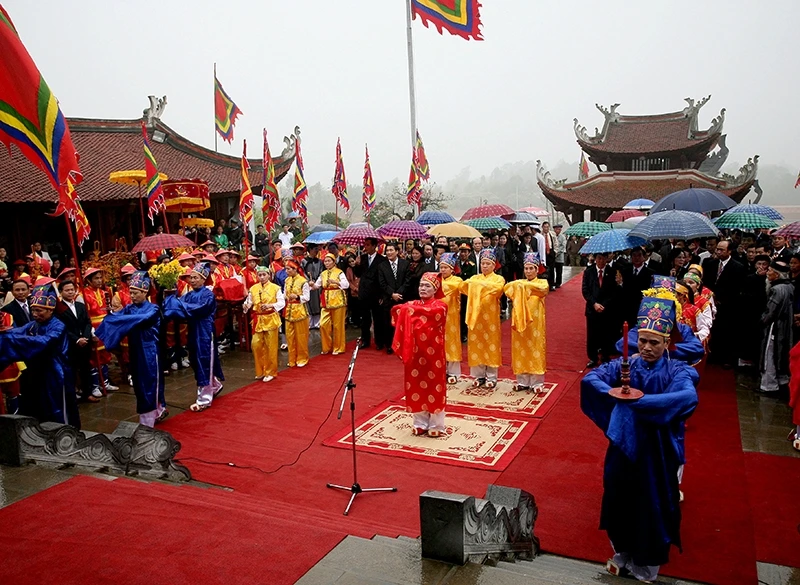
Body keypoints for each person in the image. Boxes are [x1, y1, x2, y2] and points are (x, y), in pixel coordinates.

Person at [581, 295, 699, 583]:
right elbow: (590, 379)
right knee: (618, 496)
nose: (646, 348)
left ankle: (646, 564)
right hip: (623, 445)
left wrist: (639, 402)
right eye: (642, 341)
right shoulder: (626, 365)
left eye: (654, 343)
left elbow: (687, 397)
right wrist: (614, 394)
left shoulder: (677, 369)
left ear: (666, 343)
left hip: (655, 451)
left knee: (652, 504)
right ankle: (622, 551)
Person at [0, 283, 80, 428]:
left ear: (50, 310)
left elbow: (44, 342)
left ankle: (64, 433)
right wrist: (4, 333)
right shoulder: (33, 325)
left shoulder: (58, 326)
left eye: (39, 310)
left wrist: (13, 339)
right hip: (40, 372)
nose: (35, 314)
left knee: (58, 406)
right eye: (33, 310)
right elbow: (16, 332)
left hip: (56, 373)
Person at [96, 272, 167, 426]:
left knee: (149, 382)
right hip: (135, 351)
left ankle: (147, 419)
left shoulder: (153, 309)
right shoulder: (129, 308)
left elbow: (138, 320)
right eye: (131, 293)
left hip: (149, 351)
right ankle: (157, 410)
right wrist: (109, 319)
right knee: (139, 383)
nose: (132, 296)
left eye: (135, 293)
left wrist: (117, 318)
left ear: (145, 292)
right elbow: (116, 318)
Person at [391, 272, 448, 437]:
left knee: (434, 386)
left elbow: (425, 314)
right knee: (415, 384)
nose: (423, 288)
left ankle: (437, 424)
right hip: (415, 352)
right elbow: (396, 311)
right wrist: (406, 310)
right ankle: (420, 422)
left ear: (435, 288)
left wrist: (407, 310)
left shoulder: (440, 306)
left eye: (427, 286)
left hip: (433, 354)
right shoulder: (413, 305)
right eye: (421, 285)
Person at [163, 263, 224, 410]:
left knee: (204, 360)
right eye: (191, 277)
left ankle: (204, 399)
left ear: (204, 279)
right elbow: (179, 306)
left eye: (196, 277)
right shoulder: (189, 295)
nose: (193, 280)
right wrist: (170, 298)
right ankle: (214, 385)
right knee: (195, 360)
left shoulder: (208, 295)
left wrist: (178, 305)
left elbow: (197, 310)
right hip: (193, 331)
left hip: (204, 331)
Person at [459, 249, 505, 388]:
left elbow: (497, 289)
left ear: (493, 265)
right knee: (476, 345)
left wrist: (478, 287)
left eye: (487, 264)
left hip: (490, 319)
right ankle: (478, 376)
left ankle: (491, 376)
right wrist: (480, 286)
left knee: (490, 344)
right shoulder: (475, 278)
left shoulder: (498, 279)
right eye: (483, 263)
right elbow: (463, 286)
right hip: (476, 318)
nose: (484, 266)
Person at [504, 252, 549, 391]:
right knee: (520, 349)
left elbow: (542, 290)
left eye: (531, 268)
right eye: (526, 268)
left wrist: (524, 287)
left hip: (535, 324)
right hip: (520, 321)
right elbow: (507, 289)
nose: (528, 271)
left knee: (535, 349)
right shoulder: (519, 283)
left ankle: (537, 382)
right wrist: (522, 286)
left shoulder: (542, 283)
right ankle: (523, 381)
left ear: (537, 269)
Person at [702, 240, 746, 367]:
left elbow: (737, 288)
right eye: (718, 249)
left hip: (728, 305)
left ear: (729, 251)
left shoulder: (738, 267)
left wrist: (721, 298)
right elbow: (705, 283)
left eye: (722, 250)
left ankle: (726, 358)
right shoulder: (710, 263)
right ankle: (712, 355)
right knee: (712, 330)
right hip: (710, 304)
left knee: (727, 332)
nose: (718, 252)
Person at [55, 281, 95, 403]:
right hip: (70, 344)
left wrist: (86, 337)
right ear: (61, 292)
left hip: (85, 342)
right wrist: (77, 339)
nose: (70, 292)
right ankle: (72, 395)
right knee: (71, 370)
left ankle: (87, 393)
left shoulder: (80, 306)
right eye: (67, 290)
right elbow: (62, 328)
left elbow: (88, 322)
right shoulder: (59, 309)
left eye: (72, 289)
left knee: (86, 368)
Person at [759, 259, 794, 395]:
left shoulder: (776, 290)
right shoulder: (790, 286)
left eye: (770, 271)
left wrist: (762, 321)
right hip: (786, 326)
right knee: (781, 354)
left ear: (777, 275)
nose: (767, 273)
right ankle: (782, 382)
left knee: (770, 355)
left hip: (775, 327)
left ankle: (769, 386)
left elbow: (770, 313)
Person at [244, 265, 284, 382]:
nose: (261, 277)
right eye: (259, 275)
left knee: (270, 346)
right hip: (258, 320)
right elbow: (249, 302)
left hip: (270, 318)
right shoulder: (253, 288)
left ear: (269, 275)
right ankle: (260, 370)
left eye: (264, 275)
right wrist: (246, 306)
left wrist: (270, 305)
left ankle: (270, 371)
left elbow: (281, 303)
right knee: (256, 345)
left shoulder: (275, 288)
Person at [83, 267, 118, 395]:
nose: (99, 281)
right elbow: (84, 315)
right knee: (93, 358)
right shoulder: (83, 294)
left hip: (104, 326)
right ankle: (95, 385)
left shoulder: (104, 293)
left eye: (100, 278)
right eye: (96, 278)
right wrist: (90, 330)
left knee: (105, 355)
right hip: (93, 327)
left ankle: (106, 382)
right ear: (89, 280)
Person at [582, 252, 619, 367]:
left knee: (606, 333)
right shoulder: (589, 272)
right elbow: (585, 290)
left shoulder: (612, 272)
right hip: (592, 308)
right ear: (595, 258)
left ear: (607, 259)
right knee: (592, 334)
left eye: (603, 259)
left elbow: (614, 292)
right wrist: (594, 304)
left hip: (606, 309)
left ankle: (605, 355)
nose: (601, 261)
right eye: (599, 258)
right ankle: (593, 358)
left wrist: (604, 305)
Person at [354, 237, 387, 349]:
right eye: (365, 245)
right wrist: (356, 265)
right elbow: (358, 274)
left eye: (368, 245)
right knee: (365, 318)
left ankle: (379, 341)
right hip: (364, 292)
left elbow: (384, 278)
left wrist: (382, 295)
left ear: (374, 246)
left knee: (378, 319)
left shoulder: (382, 260)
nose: (366, 247)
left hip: (376, 293)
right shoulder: (361, 258)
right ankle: (365, 340)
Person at [315, 252, 349, 355]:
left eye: (329, 261)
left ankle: (338, 347)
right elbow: (317, 285)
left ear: (334, 262)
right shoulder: (323, 274)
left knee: (338, 326)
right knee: (323, 324)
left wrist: (336, 282)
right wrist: (311, 285)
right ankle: (327, 347)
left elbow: (346, 285)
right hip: (326, 301)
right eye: (325, 261)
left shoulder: (339, 272)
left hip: (338, 301)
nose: (327, 263)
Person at [377, 243, 409, 353]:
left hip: (402, 298)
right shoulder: (382, 266)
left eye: (391, 250)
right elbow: (381, 283)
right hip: (388, 299)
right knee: (388, 323)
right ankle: (390, 345)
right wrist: (392, 294)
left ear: (397, 251)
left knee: (402, 323)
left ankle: (403, 344)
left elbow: (407, 281)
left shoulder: (405, 264)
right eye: (387, 251)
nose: (389, 253)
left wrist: (399, 293)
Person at [439, 253, 463, 384]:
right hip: (437, 317)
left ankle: (453, 372)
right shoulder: (436, 279)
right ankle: (441, 370)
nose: (442, 270)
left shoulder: (457, 281)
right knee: (439, 342)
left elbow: (452, 288)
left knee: (451, 342)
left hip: (451, 316)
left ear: (452, 269)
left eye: (445, 267)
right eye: (441, 267)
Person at [282, 259, 310, 367]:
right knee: (290, 336)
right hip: (289, 310)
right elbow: (285, 294)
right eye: (286, 269)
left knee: (301, 336)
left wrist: (298, 297)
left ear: (295, 269)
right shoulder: (287, 281)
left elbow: (307, 297)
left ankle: (302, 358)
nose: (286, 271)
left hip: (300, 310)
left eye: (288, 269)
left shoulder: (303, 281)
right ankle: (292, 359)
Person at [302, 244, 323, 329]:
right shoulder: (304, 261)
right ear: (310, 249)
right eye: (315, 249)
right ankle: (310, 323)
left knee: (317, 303)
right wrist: (308, 281)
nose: (317, 251)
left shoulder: (320, 261)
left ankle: (317, 323)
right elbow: (302, 272)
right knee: (309, 302)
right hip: (308, 284)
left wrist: (317, 282)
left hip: (317, 285)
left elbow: (321, 272)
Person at [552, 224, 567, 288]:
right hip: (552, 256)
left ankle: (558, 283)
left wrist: (557, 252)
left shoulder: (562, 237)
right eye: (557, 229)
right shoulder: (552, 236)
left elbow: (563, 246)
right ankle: (552, 282)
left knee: (559, 271)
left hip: (560, 256)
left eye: (559, 229)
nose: (558, 230)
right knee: (552, 270)